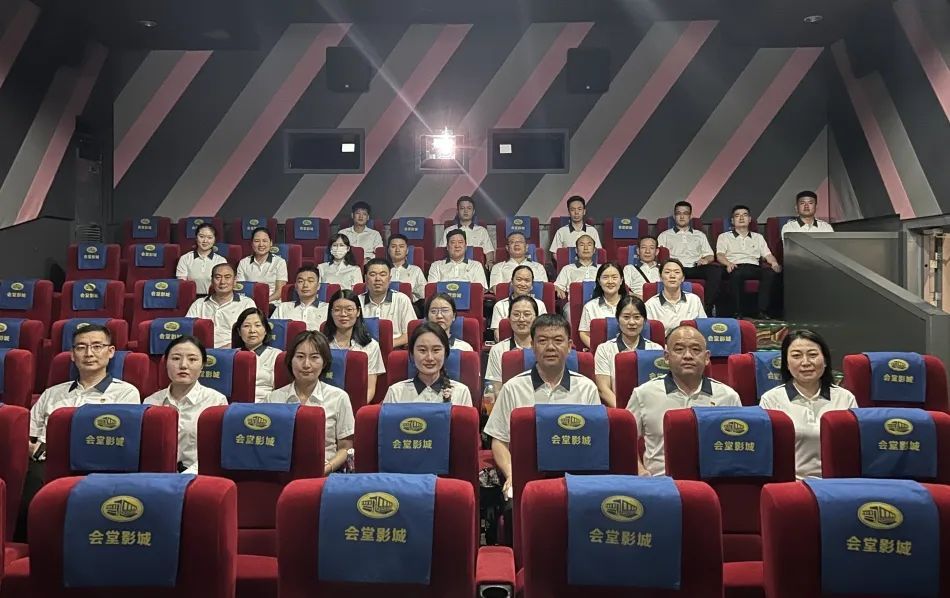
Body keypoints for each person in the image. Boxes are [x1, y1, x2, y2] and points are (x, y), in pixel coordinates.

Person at [484, 314, 600, 497]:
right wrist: (512, 474)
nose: (550, 347)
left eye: (558, 340)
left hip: (575, 478)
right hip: (527, 477)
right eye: (542, 341)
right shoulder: (513, 388)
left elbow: (594, 442)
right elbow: (499, 440)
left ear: (570, 346)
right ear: (532, 346)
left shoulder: (587, 388)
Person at [627, 325, 741, 476]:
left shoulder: (728, 396)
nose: (688, 356)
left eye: (696, 350)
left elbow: (736, 447)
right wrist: (641, 471)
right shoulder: (644, 394)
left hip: (712, 480)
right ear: (666, 357)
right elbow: (624, 442)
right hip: (659, 482)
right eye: (679, 349)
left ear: (707, 357)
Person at [759, 330, 856, 479]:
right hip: (791, 483)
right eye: (796, 356)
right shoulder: (771, 400)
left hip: (836, 483)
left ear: (825, 360)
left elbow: (854, 449)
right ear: (786, 363)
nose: (805, 362)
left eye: (812, 355)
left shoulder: (845, 398)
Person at [30, 324, 141, 453]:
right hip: (45, 460)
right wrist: (34, 451)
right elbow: (28, 434)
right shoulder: (51, 393)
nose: (89, 354)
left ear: (111, 351)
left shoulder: (126, 393)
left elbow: (122, 442)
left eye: (97, 347)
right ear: (72, 354)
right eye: (81, 348)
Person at [261, 331, 354, 475]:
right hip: (281, 473)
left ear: (324, 362)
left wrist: (327, 468)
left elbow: (345, 447)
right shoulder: (273, 399)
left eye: (314, 357)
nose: (306, 364)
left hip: (325, 473)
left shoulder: (339, 397)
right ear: (290, 360)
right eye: (300, 357)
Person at [144, 335, 228, 473]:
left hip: (199, 476)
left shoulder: (216, 401)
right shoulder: (151, 402)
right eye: (176, 358)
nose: (183, 365)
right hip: (157, 477)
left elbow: (215, 452)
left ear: (202, 365)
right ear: (165, 363)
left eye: (192, 359)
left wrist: (186, 475)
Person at [594, 296, 662, 408]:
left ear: (644, 320)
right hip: (619, 410)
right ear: (617, 319)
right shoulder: (604, 349)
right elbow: (603, 389)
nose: (631, 322)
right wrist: (626, 413)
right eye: (626, 317)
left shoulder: (656, 349)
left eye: (637, 317)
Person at [716, 204, 782, 319]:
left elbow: (768, 255)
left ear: (750, 219)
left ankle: (762, 311)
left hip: (754, 267)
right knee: (736, 274)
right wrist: (728, 263)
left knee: (770, 273)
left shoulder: (758, 237)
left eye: (745, 215)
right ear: (732, 220)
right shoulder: (724, 237)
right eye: (737, 215)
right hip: (735, 266)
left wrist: (774, 263)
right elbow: (720, 255)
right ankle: (737, 312)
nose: (741, 218)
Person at [382, 322, 473, 406]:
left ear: (445, 353)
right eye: (422, 350)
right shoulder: (395, 393)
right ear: (412, 354)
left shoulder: (461, 392)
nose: (430, 358)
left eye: (436, 350)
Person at [656, 201, 721, 313]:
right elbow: (659, 255)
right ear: (674, 216)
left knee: (716, 270)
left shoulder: (699, 235)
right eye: (678, 213)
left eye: (685, 213)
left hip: (696, 267)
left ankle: (706, 307)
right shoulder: (664, 235)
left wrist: (705, 260)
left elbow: (710, 255)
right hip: (676, 268)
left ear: (690, 216)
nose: (682, 216)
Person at [324, 289, 386, 404]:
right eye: (337, 310)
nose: (343, 314)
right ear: (331, 313)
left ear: (358, 312)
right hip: (324, 403)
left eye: (349, 309)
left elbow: (370, 388)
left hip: (356, 404)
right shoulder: (321, 344)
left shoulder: (370, 346)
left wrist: (353, 408)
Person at [484, 295, 537, 411]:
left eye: (527, 314)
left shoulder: (543, 348)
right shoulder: (498, 350)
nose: (521, 319)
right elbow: (496, 389)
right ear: (509, 318)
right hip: (508, 407)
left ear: (536, 319)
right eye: (516, 314)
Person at [185, 262, 257, 348]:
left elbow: (252, 333)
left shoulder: (247, 303)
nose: (222, 282)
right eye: (218, 277)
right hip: (202, 350)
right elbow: (188, 330)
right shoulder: (199, 304)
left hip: (232, 350)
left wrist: (230, 347)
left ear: (235, 281)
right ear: (212, 281)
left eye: (227, 277)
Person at [359, 258, 416, 348]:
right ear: (366, 279)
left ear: (389, 279)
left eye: (382, 275)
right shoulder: (357, 301)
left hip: (394, 349)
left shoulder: (402, 300)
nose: (378, 279)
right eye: (373, 274)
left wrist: (386, 345)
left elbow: (411, 333)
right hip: (364, 349)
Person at [232, 307, 281, 401]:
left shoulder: (277, 355)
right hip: (236, 404)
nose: (252, 330)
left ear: (265, 330)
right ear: (239, 332)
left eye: (257, 325)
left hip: (266, 403)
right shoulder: (232, 356)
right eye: (246, 326)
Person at [644, 258, 706, 331]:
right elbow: (649, 333)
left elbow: (703, 327)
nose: (672, 276)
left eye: (677, 272)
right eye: (667, 272)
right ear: (661, 277)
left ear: (683, 278)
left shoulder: (694, 300)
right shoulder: (650, 305)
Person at [489, 264, 548, 339]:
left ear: (532, 285)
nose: (522, 284)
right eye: (519, 280)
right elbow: (498, 335)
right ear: (512, 282)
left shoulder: (540, 305)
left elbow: (544, 331)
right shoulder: (500, 306)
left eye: (527, 280)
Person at [578, 262, 627, 349]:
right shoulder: (590, 306)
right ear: (599, 281)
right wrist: (598, 349)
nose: (610, 281)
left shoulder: (632, 305)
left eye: (614, 277)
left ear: (621, 280)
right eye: (605, 277)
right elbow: (584, 333)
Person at [235, 227, 288, 303]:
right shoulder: (243, 262)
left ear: (271, 243)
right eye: (257, 241)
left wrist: (263, 302)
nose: (261, 244)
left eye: (264, 241)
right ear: (251, 243)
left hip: (272, 303)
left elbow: (279, 292)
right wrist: (251, 303)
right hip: (249, 303)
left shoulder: (280, 262)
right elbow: (241, 289)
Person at [440, 195, 495, 266]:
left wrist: (489, 262)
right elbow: (441, 252)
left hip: (476, 268)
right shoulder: (449, 230)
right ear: (457, 211)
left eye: (469, 208)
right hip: (454, 266)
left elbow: (489, 251)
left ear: (473, 211)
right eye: (462, 208)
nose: (465, 211)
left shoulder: (482, 231)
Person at [176, 222, 227, 295]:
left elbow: (222, 285)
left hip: (214, 297)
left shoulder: (221, 261)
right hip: (190, 298)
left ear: (214, 240)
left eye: (209, 237)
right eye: (201, 236)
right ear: (196, 238)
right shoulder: (185, 258)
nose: (205, 241)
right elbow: (183, 285)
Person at [272, 265, 329, 330]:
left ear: (318, 286)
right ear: (296, 286)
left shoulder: (327, 309)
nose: (305, 285)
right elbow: (273, 330)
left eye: (310, 281)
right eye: (300, 281)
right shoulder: (282, 308)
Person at [548, 196, 602, 262]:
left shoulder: (592, 231)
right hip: (568, 266)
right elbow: (555, 253)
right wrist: (565, 264)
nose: (576, 212)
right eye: (573, 210)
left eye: (579, 209)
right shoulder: (561, 231)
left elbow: (598, 252)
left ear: (584, 211)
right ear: (569, 212)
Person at [553, 233, 599, 302]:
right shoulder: (567, 269)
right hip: (574, 304)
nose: (586, 248)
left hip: (598, 303)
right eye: (582, 245)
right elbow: (556, 286)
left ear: (594, 250)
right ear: (576, 250)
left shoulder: (602, 269)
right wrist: (558, 289)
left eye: (589, 245)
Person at [387, 233, 426, 302]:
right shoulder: (382, 270)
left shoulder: (416, 270)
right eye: (393, 246)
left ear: (407, 250)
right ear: (388, 250)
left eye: (401, 246)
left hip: (410, 304)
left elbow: (423, 293)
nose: (397, 250)